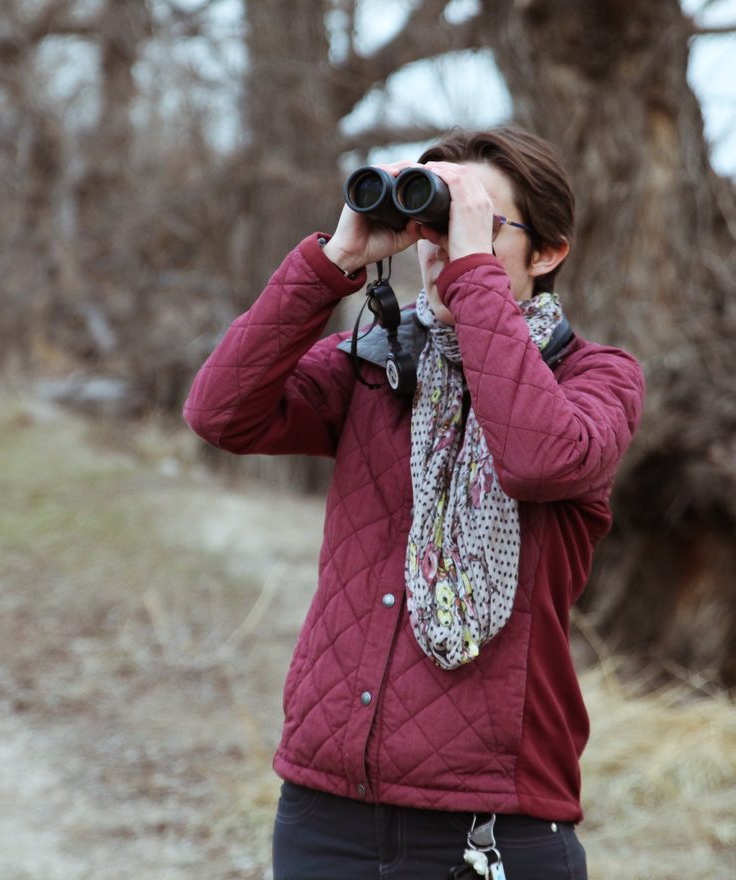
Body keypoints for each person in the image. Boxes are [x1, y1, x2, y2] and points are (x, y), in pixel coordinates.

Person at [183, 125, 644, 879]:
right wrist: (332, 262)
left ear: (550, 251)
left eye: (480, 227)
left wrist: (471, 276)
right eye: (436, 226)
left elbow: (534, 457)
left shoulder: (596, 381)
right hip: (327, 807)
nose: (443, 249)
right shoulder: (376, 362)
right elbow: (220, 413)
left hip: (494, 822)